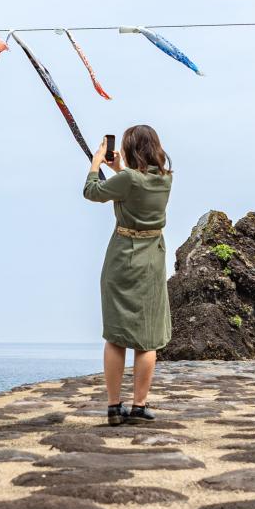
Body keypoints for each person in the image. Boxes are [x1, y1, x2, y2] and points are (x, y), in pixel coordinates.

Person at [83, 124, 173, 425]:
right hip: (151, 260)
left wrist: (96, 164)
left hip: (122, 258)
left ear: (131, 149)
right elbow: (135, 186)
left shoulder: (127, 179)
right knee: (147, 340)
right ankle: (139, 405)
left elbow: (92, 192)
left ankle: (113, 406)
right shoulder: (165, 180)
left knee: (116, 336)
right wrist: (119, 168)